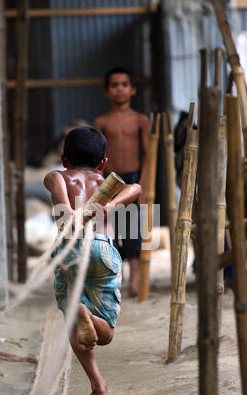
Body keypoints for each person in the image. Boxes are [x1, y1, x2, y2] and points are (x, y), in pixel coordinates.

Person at [44, 126, 141, 395]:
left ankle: (98, 384)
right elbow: (136, 187)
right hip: (103, 249)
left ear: (64, 159)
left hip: (69, 250)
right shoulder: (105, 183)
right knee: (106, 333)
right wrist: (111, 205)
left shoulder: (57, 175)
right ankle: (98, 388)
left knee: (75, 323)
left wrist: (73, 213)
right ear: (103, 162)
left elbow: (59, 191)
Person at [93, 67, 150, 297]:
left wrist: (143, 185)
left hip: (134, 177)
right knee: (111, 229)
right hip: (109, 179)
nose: (120, 89)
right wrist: (98, 184)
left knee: (134, 228)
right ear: (107, 91)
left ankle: (135, 280)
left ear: (132, 89)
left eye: (124, 84)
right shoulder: (102, 122)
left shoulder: (140, 120)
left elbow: (148, 155)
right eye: (114, 85)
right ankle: (118, 277)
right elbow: (96, 155)